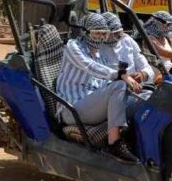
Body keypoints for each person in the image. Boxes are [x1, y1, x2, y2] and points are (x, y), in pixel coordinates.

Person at [55, 12, 141, 162]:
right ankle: (114, 143)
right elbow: (89, 66)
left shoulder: (102, 58)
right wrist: (120, 75)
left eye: (104, 34)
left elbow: (106, 84)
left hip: (90, 107)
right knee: (119, 84)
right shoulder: (73, 46)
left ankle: (135, 140)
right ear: (85, 32)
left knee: (141, 98)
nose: (101, 38)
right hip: (71, 109)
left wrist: (131, 84)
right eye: (97, 33)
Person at [100, 12, 154, 84]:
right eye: (115, 34)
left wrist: (142, 75)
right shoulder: (96, 47)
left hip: (137, 87)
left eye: (119, 33)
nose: (118, 37)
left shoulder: (127, 40)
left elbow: (146, 68)